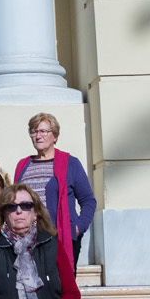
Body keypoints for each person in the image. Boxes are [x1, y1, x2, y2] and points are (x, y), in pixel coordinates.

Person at [12, 111, 95, 273]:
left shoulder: (70, 163)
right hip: (28, 240)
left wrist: (77, 228)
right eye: (34, 131)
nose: (38, 136)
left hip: (61, 237)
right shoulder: (23, 165)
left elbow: (88, 200)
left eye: (43, 131)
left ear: (55, 136)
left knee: (60, 288)